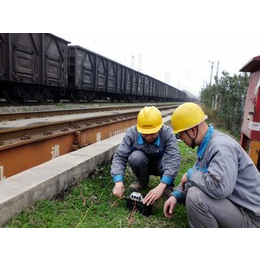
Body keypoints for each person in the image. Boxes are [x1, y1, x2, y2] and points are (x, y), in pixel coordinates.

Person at [164, 102, 260, 228]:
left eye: (181, 134)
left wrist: (190, 174)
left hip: (252, 219)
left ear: (193, 130)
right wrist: (176, 195)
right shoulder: (208, 144)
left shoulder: (221, 147)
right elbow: (198, 177)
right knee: (196, 185)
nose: (181, 139)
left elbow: (219, 188)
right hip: (238, 207)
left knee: (195, 197)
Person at [111, 106, 180, 205]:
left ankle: (167, 186)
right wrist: (118, 181)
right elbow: (120, 156)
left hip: (161, 164)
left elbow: (174, 158)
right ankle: (142, 182)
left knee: (168, 159)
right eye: (144, 134)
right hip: (142, 164)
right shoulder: (131, 133)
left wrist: (162, 185)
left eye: (152, 133)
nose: (148, 137)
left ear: (159, 128)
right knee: (135, 157)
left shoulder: (167, 133)